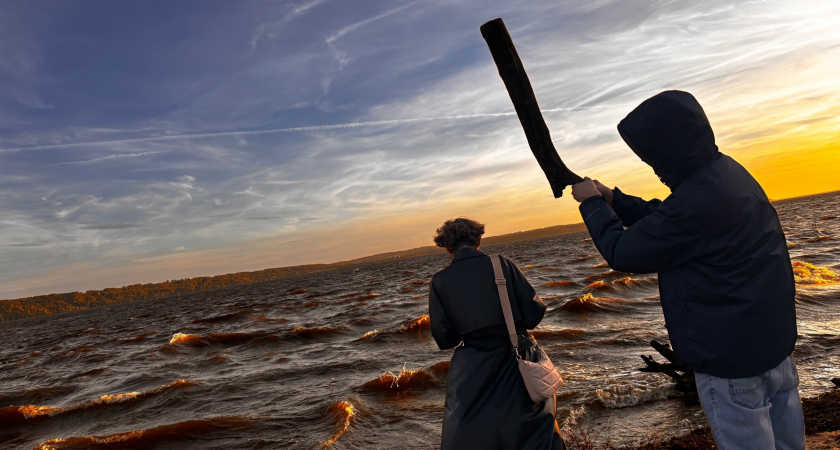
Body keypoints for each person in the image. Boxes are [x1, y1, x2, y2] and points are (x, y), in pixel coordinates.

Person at [570, 90, 803, 450]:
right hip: (773, 347)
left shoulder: (697, 199)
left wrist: (593, 205)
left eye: (653, 158)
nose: (654, 167)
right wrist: (613, 199)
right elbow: (668, 221)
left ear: (666, 150)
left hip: (731, 362)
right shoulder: (725, 172)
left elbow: (623, 250)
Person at [428, 217, 565, 450]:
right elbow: (534, 314)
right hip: (517, 354)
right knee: (535, 428)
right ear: (478, 240)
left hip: (472, 365)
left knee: (470, 429)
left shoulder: (439, 281)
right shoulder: (501, 264)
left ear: (448, 248)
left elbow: (444, 338)